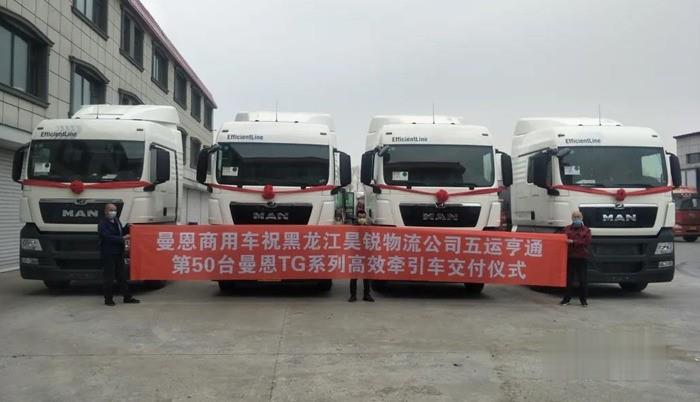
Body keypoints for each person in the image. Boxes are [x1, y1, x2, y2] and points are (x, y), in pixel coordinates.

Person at [98, 203, 140, 306]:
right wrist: (122, 238)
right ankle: (108, 299)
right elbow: (107, 237)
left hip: (118, 252)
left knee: (122, 276)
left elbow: (121, 232)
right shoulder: (102, 223)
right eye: (111, 210)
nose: (113, 212)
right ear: (106, 211)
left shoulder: (116, 220)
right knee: (109, 277)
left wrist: (127, 227)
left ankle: (127, 297)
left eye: (115, 210)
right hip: (108, 253)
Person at [560, 209, 592, 307]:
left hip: (582, 257)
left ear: (582, 218)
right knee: (569, 280)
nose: (576, 219)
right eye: (575, 217)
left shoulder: (586, 230)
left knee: (583, 280)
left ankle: (583, 301)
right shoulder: (566, 229)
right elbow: (560, 238)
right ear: (572, 218)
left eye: (578, 217)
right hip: (570, 257)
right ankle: (566, 299)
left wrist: (573, 242)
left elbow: (587, 242)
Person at [349, 209, 374, 302]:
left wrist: (365, 226)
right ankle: (353, 295)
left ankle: (367, 295)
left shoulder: (368, 226)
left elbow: (372, 237)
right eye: (360, 217)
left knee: (366, 276)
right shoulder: (353, 226)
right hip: (355, 254)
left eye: (363, 217)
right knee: (354, 276)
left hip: (366, 253)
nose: (362, 218)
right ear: (357, 217)